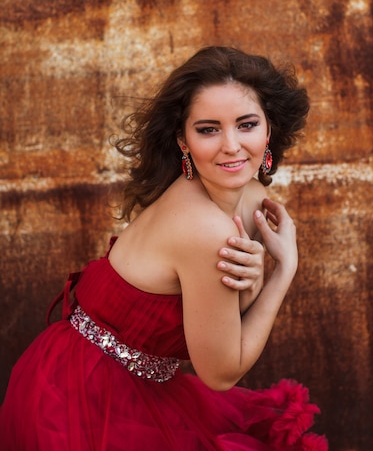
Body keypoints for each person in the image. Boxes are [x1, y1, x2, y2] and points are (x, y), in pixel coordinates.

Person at [0, 46, 327, 450]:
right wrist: (284, 271)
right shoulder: (205, 228)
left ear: (269, 130)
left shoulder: (250, 196)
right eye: (208, 129)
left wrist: (255, 282)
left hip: (143, 384)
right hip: (79, 396)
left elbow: (223, 319)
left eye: (246, 124)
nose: (231, 146)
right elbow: (222, 373)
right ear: (183, 142)